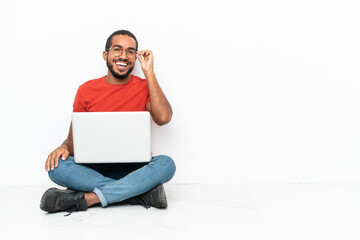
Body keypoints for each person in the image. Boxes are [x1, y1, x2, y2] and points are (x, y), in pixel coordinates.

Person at [40, 30, 176, 215]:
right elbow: (73, 139)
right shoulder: (86, 90)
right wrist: (63, 147)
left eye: (130, 51)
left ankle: (88, 199)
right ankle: (137, 193)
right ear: (106, 55)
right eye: (117, 49)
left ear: (135, 58)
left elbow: (164, 118)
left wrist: (149, 72)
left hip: (134, 169)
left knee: (166, 164)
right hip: (93, 170)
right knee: (57, 168)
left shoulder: (145, 87)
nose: (123, 56)